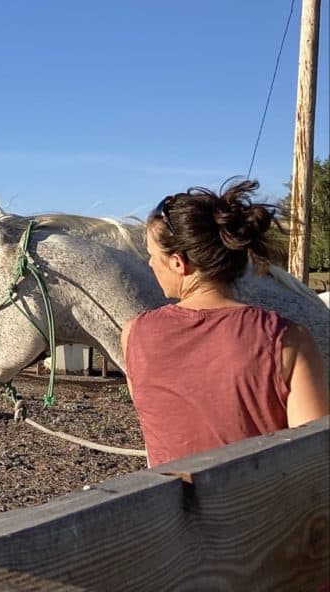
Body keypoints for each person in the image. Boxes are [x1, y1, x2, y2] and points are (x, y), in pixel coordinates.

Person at [121, 179, 329, 467]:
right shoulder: (288, 339)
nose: (149, 264)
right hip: (264, 507)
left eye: (152, 255)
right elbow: (314, 463)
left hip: (169, 509)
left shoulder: (134, 335)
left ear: (179, 263)